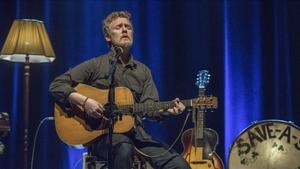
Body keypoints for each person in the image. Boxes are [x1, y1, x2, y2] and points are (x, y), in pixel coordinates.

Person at [49, 11, 191, 169]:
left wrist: (166, 110)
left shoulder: (143, 71)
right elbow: (57, 85)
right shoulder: (96, 65)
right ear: (108, 37)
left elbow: (149, 107)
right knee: (123, 148)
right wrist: (86, 102)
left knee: (180, 165)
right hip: (103, 137)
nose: (125, 30)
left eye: (128, 27)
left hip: (137, 135)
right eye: (118, 27)